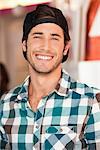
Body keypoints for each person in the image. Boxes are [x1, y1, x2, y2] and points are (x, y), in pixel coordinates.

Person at [0, 4, 100, 150]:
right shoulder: (5, 104)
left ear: (65, 48)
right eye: (37, 36)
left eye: (54, 38)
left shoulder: (92, 102)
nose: (45, 46)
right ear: (24, 45)